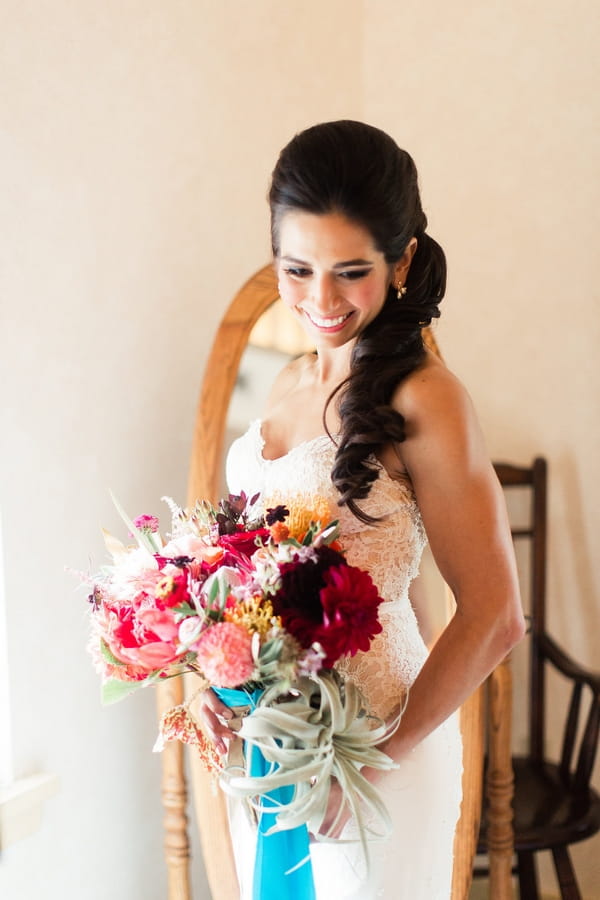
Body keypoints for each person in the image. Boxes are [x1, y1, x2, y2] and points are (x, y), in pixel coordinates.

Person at [199, 120, 525, 899]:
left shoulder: (427, 400)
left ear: (403, 260)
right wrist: (217, 682)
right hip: (269, 748)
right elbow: (251, 583)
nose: (321, 298)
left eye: (351, 271)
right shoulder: (282, 384)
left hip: (378, 755)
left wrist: (376, 757)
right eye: (297, 268)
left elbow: (495, 614)